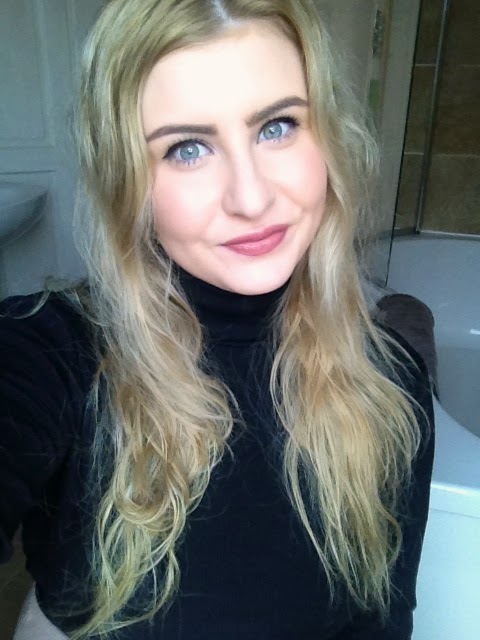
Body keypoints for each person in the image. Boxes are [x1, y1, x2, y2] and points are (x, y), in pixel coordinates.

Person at [0, 0, 435, 638]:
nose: (251, 199)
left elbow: (384, 622)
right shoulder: (51, 354)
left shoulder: (392, 381)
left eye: (277, 127)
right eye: (187, 148)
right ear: (127, 181)